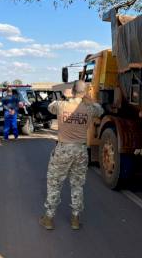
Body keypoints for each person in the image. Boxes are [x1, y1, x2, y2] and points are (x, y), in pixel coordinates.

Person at [39, 80, 104, 230]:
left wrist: (66, 97)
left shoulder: (61, 105)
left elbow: (50, 107)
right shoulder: (90, 108)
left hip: (63, 149)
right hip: (81, 151)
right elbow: (100, 110)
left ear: (72, 91)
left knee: (54, 183)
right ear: (85, 92)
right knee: (77, 185)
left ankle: (48, 218)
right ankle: (75, 219)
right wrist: (89, 99)